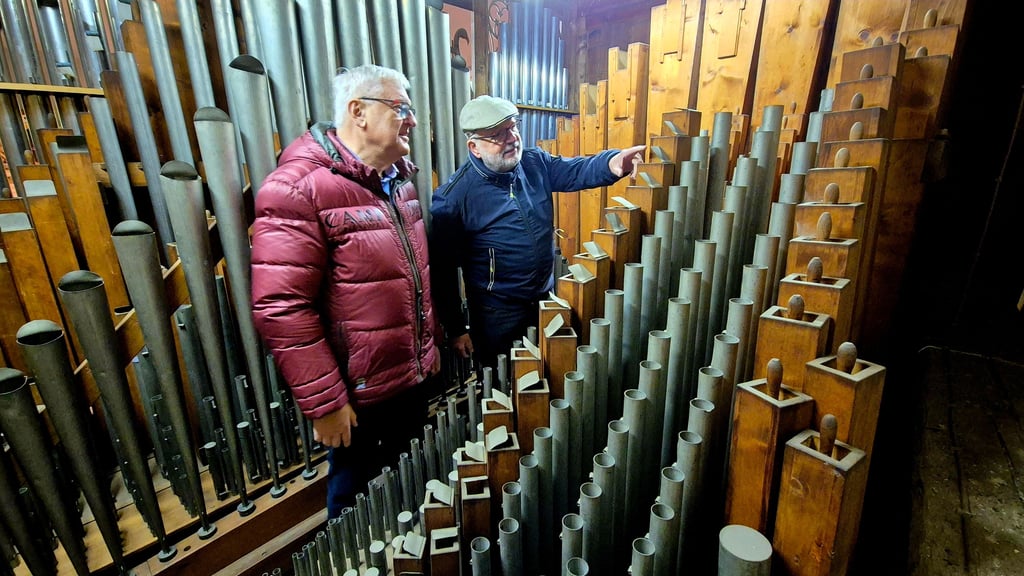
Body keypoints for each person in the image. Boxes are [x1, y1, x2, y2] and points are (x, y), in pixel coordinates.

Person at [251, 65, 440, 518]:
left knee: (411, 498)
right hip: (357, 397)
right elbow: (281, 307)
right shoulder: (296, 188)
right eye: (401, 108)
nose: (412, 119)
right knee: (355, 515)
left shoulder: (399, 183)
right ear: (358, 111)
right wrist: (326, 403)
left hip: (409, 379)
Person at [430, 94, 646, 376]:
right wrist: (456, 328)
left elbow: (576, 169)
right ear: (475, 147)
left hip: (545, 296)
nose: (511, 138)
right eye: (498, 135)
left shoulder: (534, 163)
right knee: (504, 383)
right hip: (497, 315)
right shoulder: (454, 198)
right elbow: (444, 272)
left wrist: (612, 162)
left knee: (550, 374)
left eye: (512, 127)